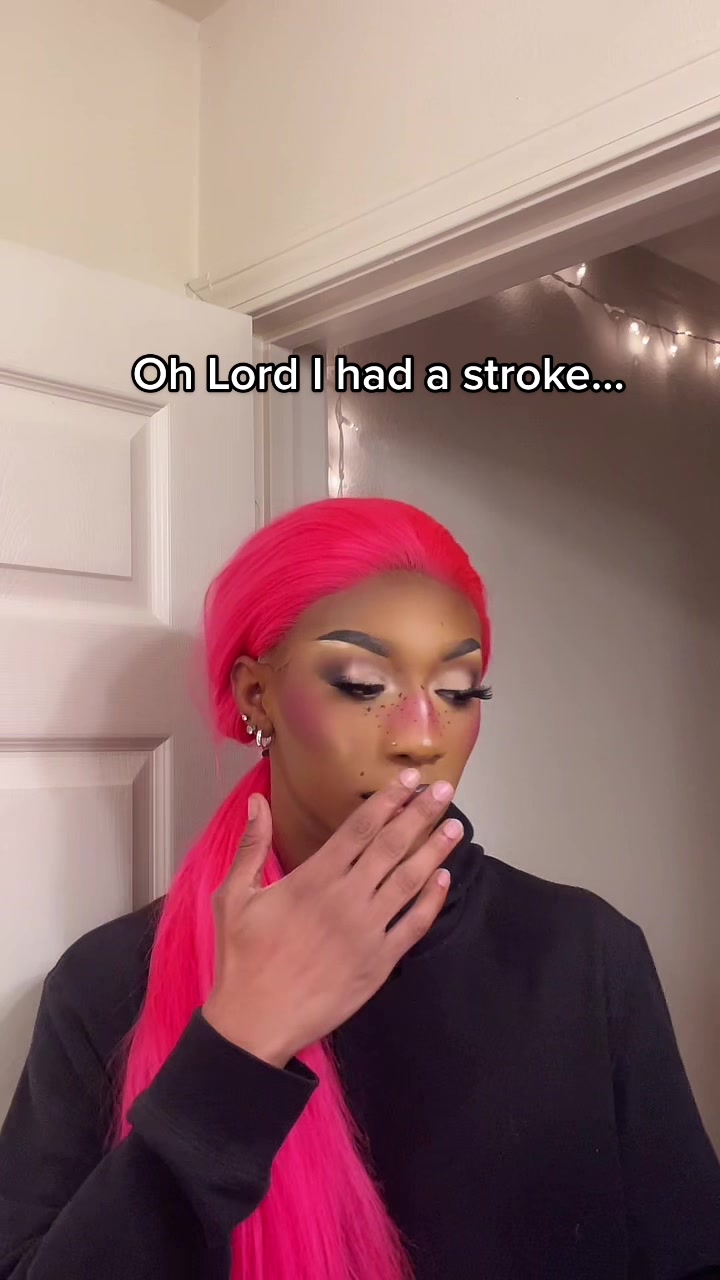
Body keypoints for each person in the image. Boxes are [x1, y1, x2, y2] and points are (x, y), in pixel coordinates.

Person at [0, 496, 719, 1280]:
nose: (422, 736)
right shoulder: (106, 985)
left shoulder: (584, 955)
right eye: (362, 683)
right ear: (256, 695)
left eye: (459, 691)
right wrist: (235, 1049)